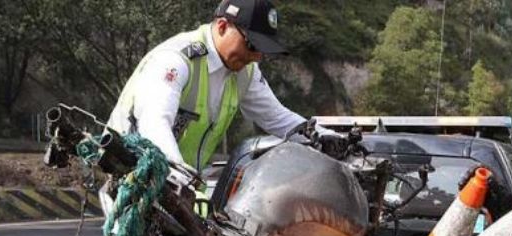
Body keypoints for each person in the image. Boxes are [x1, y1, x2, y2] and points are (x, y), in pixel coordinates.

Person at [105, 0, 344, 171]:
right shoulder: (177, 60)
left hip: (183, 184)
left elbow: (278, 118)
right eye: (252, 45)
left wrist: (328, 139)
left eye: (263, 50)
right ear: (222, 26)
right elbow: (155, 125)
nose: (256, 57)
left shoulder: (245, 71)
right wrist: (182, 180)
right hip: (130, 174)